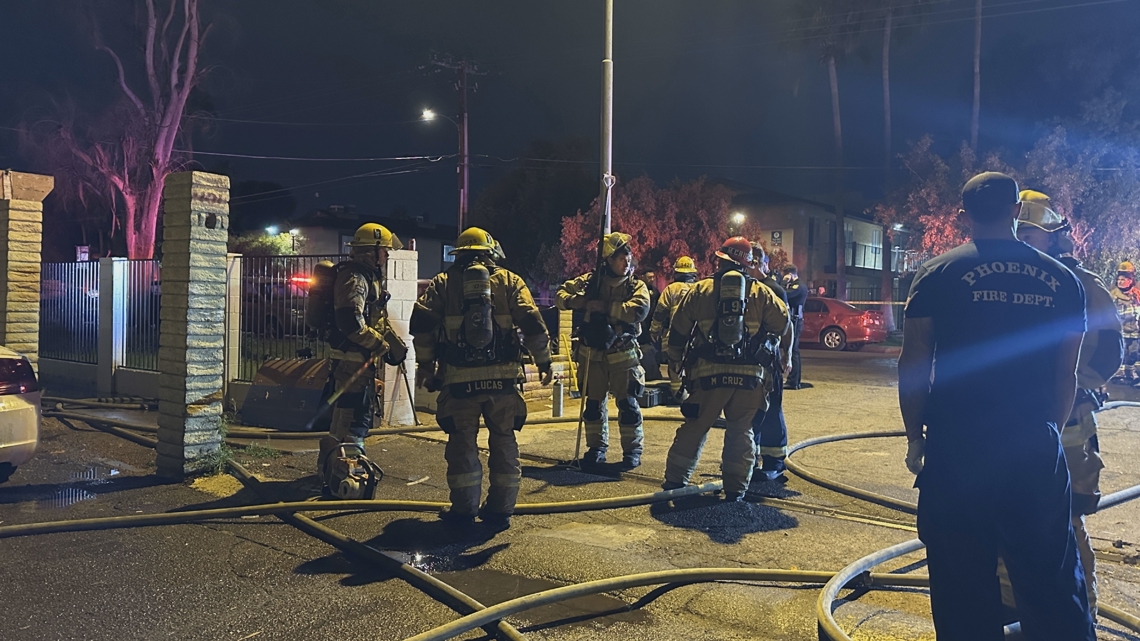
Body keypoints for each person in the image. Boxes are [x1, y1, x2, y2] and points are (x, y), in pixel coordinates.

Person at [899, 172, 1094, 640]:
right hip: (1033, 447)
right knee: (1049, 576)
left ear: (963, 216)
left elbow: (914, 363)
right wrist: (1047, 432)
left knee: (961, 582)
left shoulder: (937, 274)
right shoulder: (1063, 280)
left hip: (958, 449)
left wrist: (914, 437)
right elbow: (1065, 374)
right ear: (1014, 210)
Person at [1013, 189, 1123, 617]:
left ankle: (1082, 615)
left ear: (1054, 235)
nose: (1020, 238)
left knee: (1064, 522)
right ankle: (1018, 613)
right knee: (1013, 516)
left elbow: (1110, 349)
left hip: (1068, 424)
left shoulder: (1082, 284)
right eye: (1018, 230)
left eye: (1029, 232)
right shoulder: (1012, 277)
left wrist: (1080, 387)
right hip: (1016, 419)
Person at [411, 227, 554, 531]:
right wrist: (544, 362)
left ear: (459, 254)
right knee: (504, 441)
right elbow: (532, 323)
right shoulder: (509, 281)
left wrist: (425, 366)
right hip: (502, 382)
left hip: (459, 382)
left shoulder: (443, 283)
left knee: (462, 445)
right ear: (490, 253)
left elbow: (422, 326)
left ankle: (464, 509)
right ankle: (501, 509)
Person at [661, 237, 791, 501]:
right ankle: (735, 491)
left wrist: (673, 359)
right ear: (746, 263)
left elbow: (679, 329)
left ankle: (675, 482)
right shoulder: (761, 293)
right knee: (742, 431)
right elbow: (784, 324)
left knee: (695, 428)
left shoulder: (700, 290)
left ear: (720, 260)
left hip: (707, 376)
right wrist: (786, 355)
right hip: (750, 379)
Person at [556, 232, 651, 469]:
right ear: (608, 259)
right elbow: (561, 296)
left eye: (628, 258)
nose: (626, 263)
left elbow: (639, 310)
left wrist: (607, 307)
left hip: (623, 354)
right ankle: (596, 447)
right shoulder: (590, 282)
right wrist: (583, 302)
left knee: (628, 406)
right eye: (621, 258)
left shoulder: (635, 285)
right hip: (593, 355)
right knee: (593, 406)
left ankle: (632, 451)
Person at [327, 222, 405, 450]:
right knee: (353, 420)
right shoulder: (355, 278)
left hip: (355, 362)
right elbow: (351, 321)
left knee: (346, 418)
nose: (386, 256)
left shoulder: (366, 277)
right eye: (384, 251)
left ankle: (332, 467)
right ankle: (347, 470)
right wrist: (379, 344)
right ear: (371, 252)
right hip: (352, 362)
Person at [747, 246, 790, 481]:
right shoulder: (746, 289)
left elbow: (787, 327)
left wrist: (788, 356)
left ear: (755, 263)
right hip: (749, 363)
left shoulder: (774, 290)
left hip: (769, 362)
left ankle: (775, 461)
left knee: (772, 409)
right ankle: (750, 458)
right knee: (751, 412)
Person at [649, 256, 700, 403]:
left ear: (676, 272)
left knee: (674, 366)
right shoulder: (699, 288)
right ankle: (694, 397)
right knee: (695, 366)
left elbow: (660, 312)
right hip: (697, 337)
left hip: (675, 335)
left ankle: (679, 396)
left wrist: (654, 330)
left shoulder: (671, 289)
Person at [1110, 261, 1140, 385]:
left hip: (1135, 331)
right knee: (1120, 353)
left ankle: (1132, 374)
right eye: (1119, 279)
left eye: (1124, 279)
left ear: (1130, 280)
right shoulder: (1113, 295)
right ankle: (1119, 374)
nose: (1121, 282)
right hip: (1120, 330)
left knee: (1134, 353)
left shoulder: (1136, 294)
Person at [781, 264, 807, 389]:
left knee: (794, 350)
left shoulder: (798, 286)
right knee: (791, 349)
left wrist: (783, 282)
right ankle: (793, 380)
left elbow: (784, 294)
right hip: (793, 318)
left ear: (790, 274)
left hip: (796, 320)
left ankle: (793, 381)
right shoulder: (794, 285)